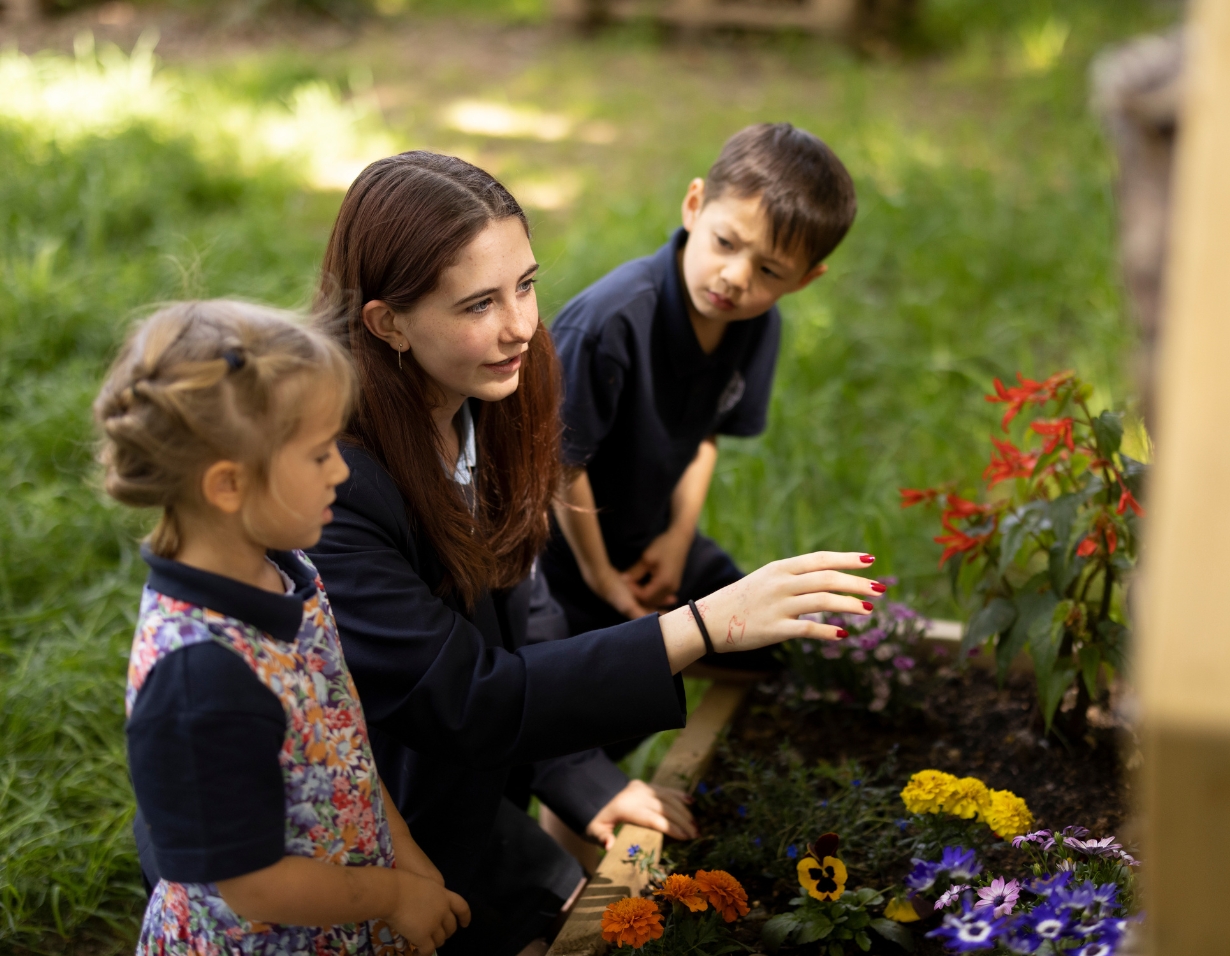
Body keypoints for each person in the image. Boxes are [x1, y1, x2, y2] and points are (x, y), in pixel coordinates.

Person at [308, 151, 883, 956]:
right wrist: (704, 626)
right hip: (357, 825)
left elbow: (524, 597)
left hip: (464, 781)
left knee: (580, 915)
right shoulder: (333, 482)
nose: (520, 326)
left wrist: (578, 775)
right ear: (387, 322)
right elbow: (462, 698)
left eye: (526, 285)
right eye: (479, 303)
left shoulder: (498, 381)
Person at [95, 301, 470, 956]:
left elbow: (340, 738)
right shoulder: (199, 677)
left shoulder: (283, 570)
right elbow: (254, 886)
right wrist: (394, 896)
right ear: (228, 485)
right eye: (321, 453)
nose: (342, 471)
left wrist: (405, 855)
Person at [542, 123, 860, 678]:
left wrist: (677, 538)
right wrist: (599, 576)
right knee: (600, 697)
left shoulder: (756, 326)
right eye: (726, 243)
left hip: (653, 531)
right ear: (694, 206)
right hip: (561, 553)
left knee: (769, 650)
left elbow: (706, 433)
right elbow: (559, 463)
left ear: (805, 280)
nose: (735, 278)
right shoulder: (609, 324)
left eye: (769, 271)